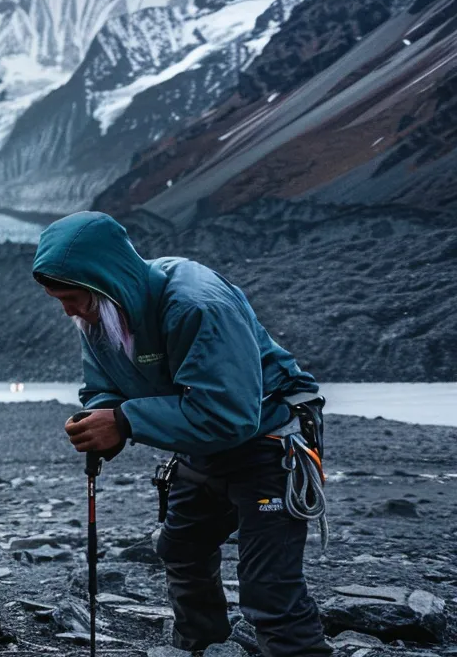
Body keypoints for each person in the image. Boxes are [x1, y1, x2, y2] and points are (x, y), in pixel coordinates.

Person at [33, 212, 330, 656]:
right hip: (201, 448)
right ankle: (202, 647)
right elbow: (103, 386)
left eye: (73, 297)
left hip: (270, 442)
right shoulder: (99, 316)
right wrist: (99, 417)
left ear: (105, 282)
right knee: (181, 550)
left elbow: (229, 414)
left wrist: (125, 422)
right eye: (59, 299)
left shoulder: (195, 305)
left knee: (269, 590)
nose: (68, 310)